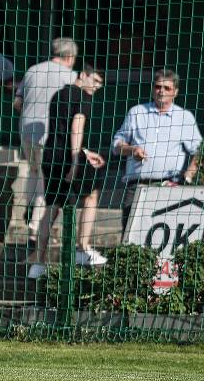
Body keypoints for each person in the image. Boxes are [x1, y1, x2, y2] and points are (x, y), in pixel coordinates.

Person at [27, 65, 107, 279]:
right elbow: (75, 128)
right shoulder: (83, 97)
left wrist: (85, 152)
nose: (97, 87)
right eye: (95, 81)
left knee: (52, 206)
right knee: (91, 195)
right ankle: (83, 247)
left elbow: (59, 129)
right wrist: (75, 160)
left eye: (100, 84)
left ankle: (38, 263)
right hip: (67, 158)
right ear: (83, 74)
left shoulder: (59, 94)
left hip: (51, 155)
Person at [111, 68, 202, 233]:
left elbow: (200, 151)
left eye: (167, 88)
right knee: (131, 235)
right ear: (153, 88)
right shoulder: (137, 112)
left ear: (175, 92)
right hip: (137, 187)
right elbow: (116, 144)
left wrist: (187, 177)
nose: (161, 91)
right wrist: (131, 150)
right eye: (158, 86)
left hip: (170, 187)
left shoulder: (184, 117)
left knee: (165, 236)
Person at [14, 38, 78, 242]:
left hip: (26, 131)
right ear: (69, 57)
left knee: (34, 172)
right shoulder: (70, 76)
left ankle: (29, 214)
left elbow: (17, 103)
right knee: (48, 180)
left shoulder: (32, 70)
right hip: (50, 135)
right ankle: (36, 227)